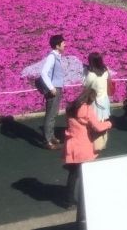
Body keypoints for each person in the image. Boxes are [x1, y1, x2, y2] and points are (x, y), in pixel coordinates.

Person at [63, 87, 112, 218]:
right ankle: (86, 198)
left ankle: (68, 200)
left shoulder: (71, 108)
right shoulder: (87, 110)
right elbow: (98, 126)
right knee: (87, 173)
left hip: (71, 143)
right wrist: (108, 124)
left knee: (73, 174)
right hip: (83, 145)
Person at [40, 34, 66, 149]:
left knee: (54, 114)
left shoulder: (57, 56)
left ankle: (51, 136)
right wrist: (51, 87)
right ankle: (47, 141)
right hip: (53, 90)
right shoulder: (52, 57)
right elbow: (43, 73)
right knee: (50, 115)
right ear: (57, 45)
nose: (65, 44)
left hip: (57, 88)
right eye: (63, 43)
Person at [82, 53, 111, 152]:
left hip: (95, 101)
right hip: (104, 99)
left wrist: (84, 73)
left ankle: (97, 145)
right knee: (103, 121)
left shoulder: (91, 75)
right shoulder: (105, 70)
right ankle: (104, 141)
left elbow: (86, 86)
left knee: (94, 123)